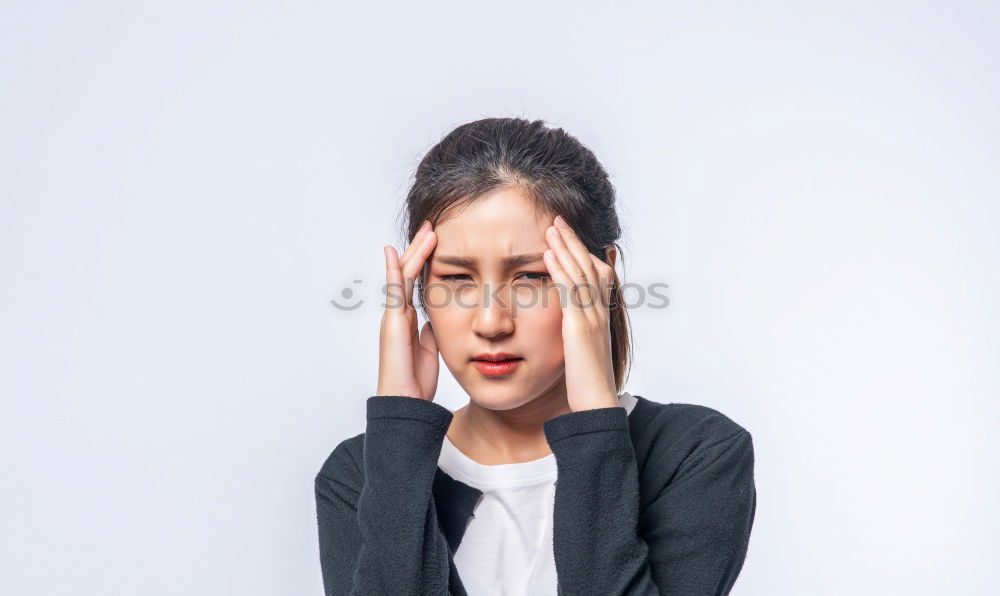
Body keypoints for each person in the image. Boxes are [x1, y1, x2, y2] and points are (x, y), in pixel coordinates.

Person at [314, 117, 756, 595]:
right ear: (420, 287)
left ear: (599, 277)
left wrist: (593, 415)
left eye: (530, 277)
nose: (491, 322)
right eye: (456, 279)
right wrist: (398, 432)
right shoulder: (362, 473)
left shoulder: (693, 455)